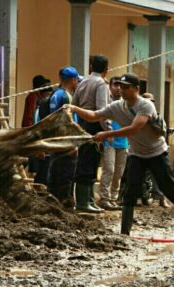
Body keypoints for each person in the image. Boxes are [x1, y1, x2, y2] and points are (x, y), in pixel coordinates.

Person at [68, 73, 174, 239]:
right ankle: (124, 233)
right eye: (120, 87)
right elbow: (93, 115)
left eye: (126, 88)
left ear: (137, 89)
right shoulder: (116, 106)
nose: (122, 90)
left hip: (156, 153)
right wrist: (74, 108)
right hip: (136, 155)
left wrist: (106, 134)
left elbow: (135, 128)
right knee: (129, 192)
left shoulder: (146, 105)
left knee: (169, 188)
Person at [72, 54, 110, 213]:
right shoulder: (101, 84)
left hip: (82, 123)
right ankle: (82, 202)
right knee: (89, 163)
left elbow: (74, 103)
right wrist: (107, 130)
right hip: (94, 125)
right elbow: (102, 110)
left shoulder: (83, 82)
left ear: (91, 67)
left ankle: (89, 199)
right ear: (106, 70)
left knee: (87, 162)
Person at [45, 67, 80, 208]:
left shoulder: (55, 95)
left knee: (55, 174)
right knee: (66, 177)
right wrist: (74, 143)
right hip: (66, 142)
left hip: (56, 141)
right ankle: (64, 207)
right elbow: (67, 121)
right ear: (72, 80)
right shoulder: (66, 97)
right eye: (77, 79)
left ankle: (53, 204)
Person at [98, 76, 129, 211]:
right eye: (115, 84)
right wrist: (108, 131)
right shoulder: (107, 102)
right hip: (109, 142)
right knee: (109, 170)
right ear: (110, 86)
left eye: (120, 85)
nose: (118, 87)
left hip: (124, 142)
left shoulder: (126, 104)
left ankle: (113, 198)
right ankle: (104, 198)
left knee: (119, 173)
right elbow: (102, 118)